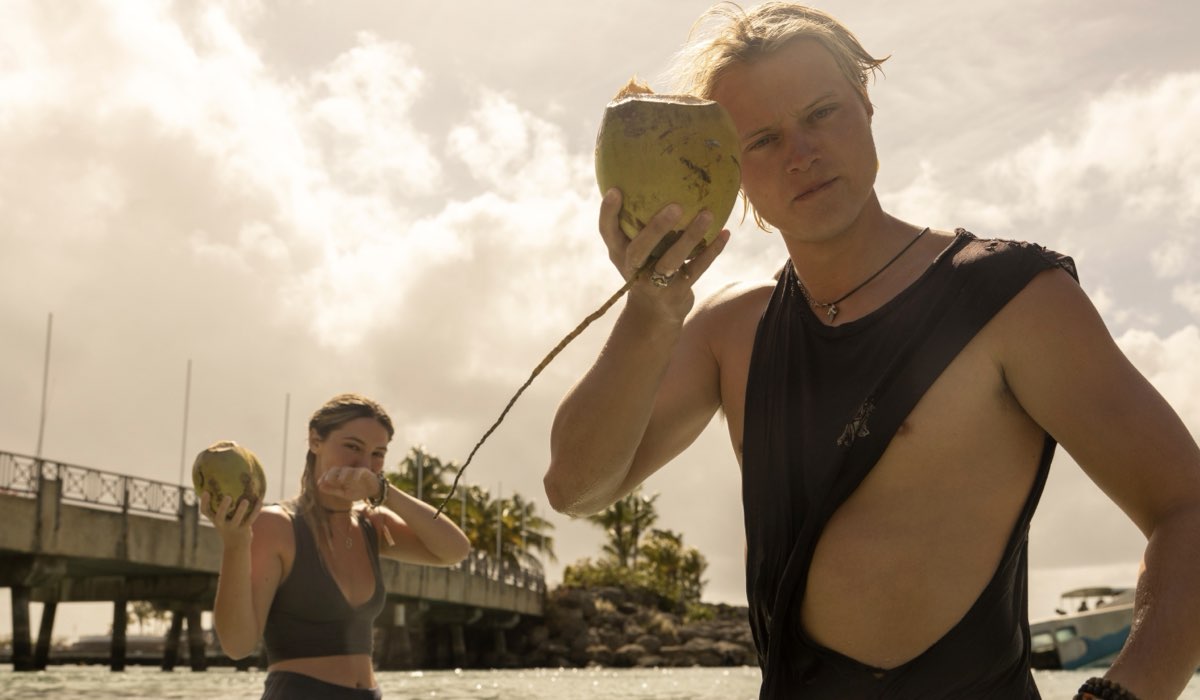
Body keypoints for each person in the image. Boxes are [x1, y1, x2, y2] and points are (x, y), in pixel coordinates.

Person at [543, 3, 1200, 698]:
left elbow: (1185, 507)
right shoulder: (730, 331)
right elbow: (576, 486)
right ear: (727, 170)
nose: (802, 153)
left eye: (822, 113)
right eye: (763, 140)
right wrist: (652, 311)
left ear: (865, 105)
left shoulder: (1012, 300)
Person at [202, 393, 471, 699]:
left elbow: (455, 550)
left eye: (378, 454)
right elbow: (237, 645)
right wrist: (235, 545)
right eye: (353, 447)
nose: (364, 464)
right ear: (315, 441)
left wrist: (384, 490)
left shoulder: (373, 525)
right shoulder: (276, 525)